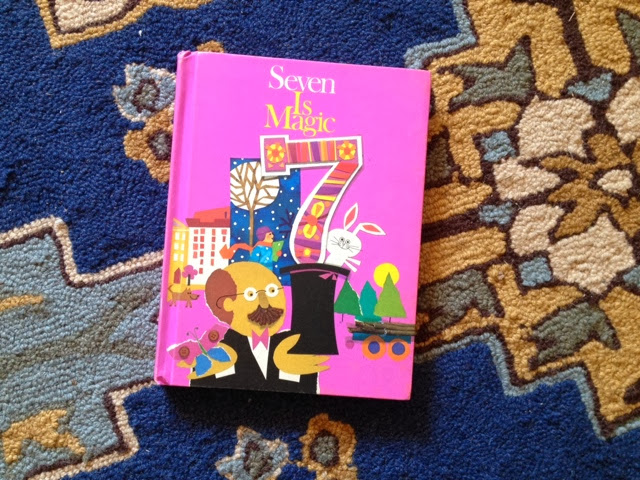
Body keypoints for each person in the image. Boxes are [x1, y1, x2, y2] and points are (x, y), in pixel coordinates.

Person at [190, 261, 328, 393]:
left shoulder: (296, 345)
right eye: (251, 295)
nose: (265, 303)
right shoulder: (211, 352)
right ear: (228, 305)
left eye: (272, 291)